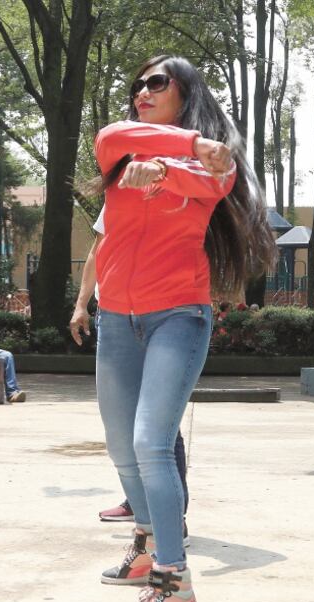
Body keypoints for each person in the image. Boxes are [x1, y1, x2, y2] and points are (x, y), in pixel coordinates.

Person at [91, 55, 274, 602]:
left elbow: (210, 179)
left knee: (150, 442)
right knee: (121, 446)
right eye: (136, 83)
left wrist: (169, 169)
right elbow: (112, 137)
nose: (142, 91)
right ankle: (146, 545)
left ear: (185, 92)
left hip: (178, 315)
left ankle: (176, 590)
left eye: (157, 83)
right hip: (117, 318)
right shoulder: (120, 150)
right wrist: (181, 147)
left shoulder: (217, 164)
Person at [70, 211, 190, 531]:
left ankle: (172, 519)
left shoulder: (175, 193)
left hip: (161, 313)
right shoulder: (115, 197)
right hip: (113, 315)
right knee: (122, 430)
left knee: (159, 426)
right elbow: (98, 249)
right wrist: (82, 303)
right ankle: (140, 505)